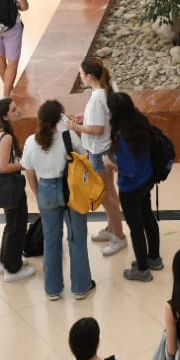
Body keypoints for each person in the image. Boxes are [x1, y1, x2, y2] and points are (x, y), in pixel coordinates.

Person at [20, 99, 97, 302]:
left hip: (45, 190)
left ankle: (53, 289)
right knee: (76, 237)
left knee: (51, 240)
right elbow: (84, 160)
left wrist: (38, 194)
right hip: (71, 190)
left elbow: (28, 170)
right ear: (59, 119)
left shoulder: (31, 141)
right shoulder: (68, 137)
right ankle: (81, 286)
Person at [69, 59, 126, 253]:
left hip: (98, 151)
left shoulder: (96, 98)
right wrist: (86, 118)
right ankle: (112, 227)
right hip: (108, 148)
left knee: (104, 195)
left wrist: (76, 127)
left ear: (90, 76)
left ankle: (119, 235)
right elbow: (105, 118)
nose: (80, 77)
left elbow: (97, 128)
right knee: (110, 191)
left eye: (81, 74)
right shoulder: (109, 88)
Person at [105, 92, 161, 281]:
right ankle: (154, 258)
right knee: (148, 218)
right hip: (147, 179)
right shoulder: (140, 121)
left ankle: (143, 270)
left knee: (136, 227)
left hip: (130, 188)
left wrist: (110, 163)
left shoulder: (122, 135)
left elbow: (128, 169)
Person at [0, 98, 35, 283]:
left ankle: (6, 260)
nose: (18, 110)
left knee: (11, 224)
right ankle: (12, 269)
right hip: (10, 187)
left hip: (5, 187)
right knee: (17, 226)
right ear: (5, 116)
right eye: (14, 109)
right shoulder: (5, 138)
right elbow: (5, 167)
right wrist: (24, 165)